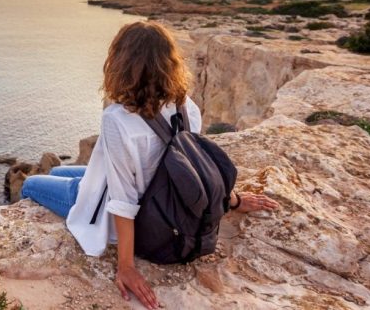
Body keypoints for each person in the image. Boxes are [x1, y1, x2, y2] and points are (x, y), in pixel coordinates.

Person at [21, 21, 280, 310]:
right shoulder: (186, 107)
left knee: (31, 184)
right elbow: (195, 165)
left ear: (121, 64)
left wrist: (127, 266)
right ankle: (66, 181)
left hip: (138, 215)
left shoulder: (118, 118)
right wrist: (233, 200)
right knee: (58, 171)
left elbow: (123, 200)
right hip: (163, 196)